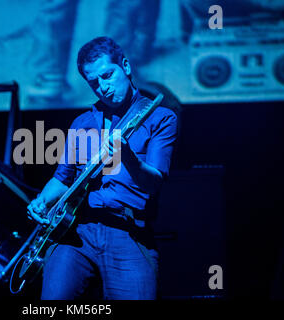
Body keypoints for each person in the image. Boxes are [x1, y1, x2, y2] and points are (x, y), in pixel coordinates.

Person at [27, 37, 178, 300]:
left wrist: (128, 157)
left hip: (128, 233)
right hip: (77, 233)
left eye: (107, 76)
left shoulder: (160, 117)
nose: (103, 88)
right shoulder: (82, 122)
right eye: (93, 83)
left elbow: (154, 183)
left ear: (126, 67)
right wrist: (41, 200)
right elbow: (63, 178)